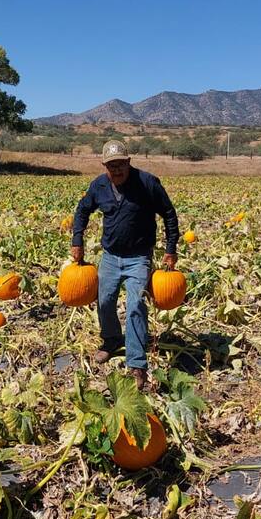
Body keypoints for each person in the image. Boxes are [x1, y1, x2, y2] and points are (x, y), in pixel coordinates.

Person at [70, 139, 179, 389]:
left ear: (128, 163)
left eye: (121, 164)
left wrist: (171, 249)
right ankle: (111, 341)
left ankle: (137, 364)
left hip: (139, 257)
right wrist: (78, 240)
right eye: (111, 166)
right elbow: (82, 210)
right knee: (105, 300)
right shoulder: (99, 185)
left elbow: (169, 213)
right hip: (110, 256)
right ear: (104, 166)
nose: (116, 170)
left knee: (135, 305)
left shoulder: (147, 183)